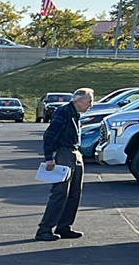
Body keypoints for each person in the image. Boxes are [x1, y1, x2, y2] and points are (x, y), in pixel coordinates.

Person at [37, 87, 95, 241]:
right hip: (63, 153)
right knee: (60, 192)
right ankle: (45, 229)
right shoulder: (63, 112)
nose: (91, 105)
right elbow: (49, 135)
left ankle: (64, 226)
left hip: (75, 152)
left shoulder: (76, 114)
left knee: (75, 193)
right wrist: (49, 157)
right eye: (89, 101)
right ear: (78, 101)